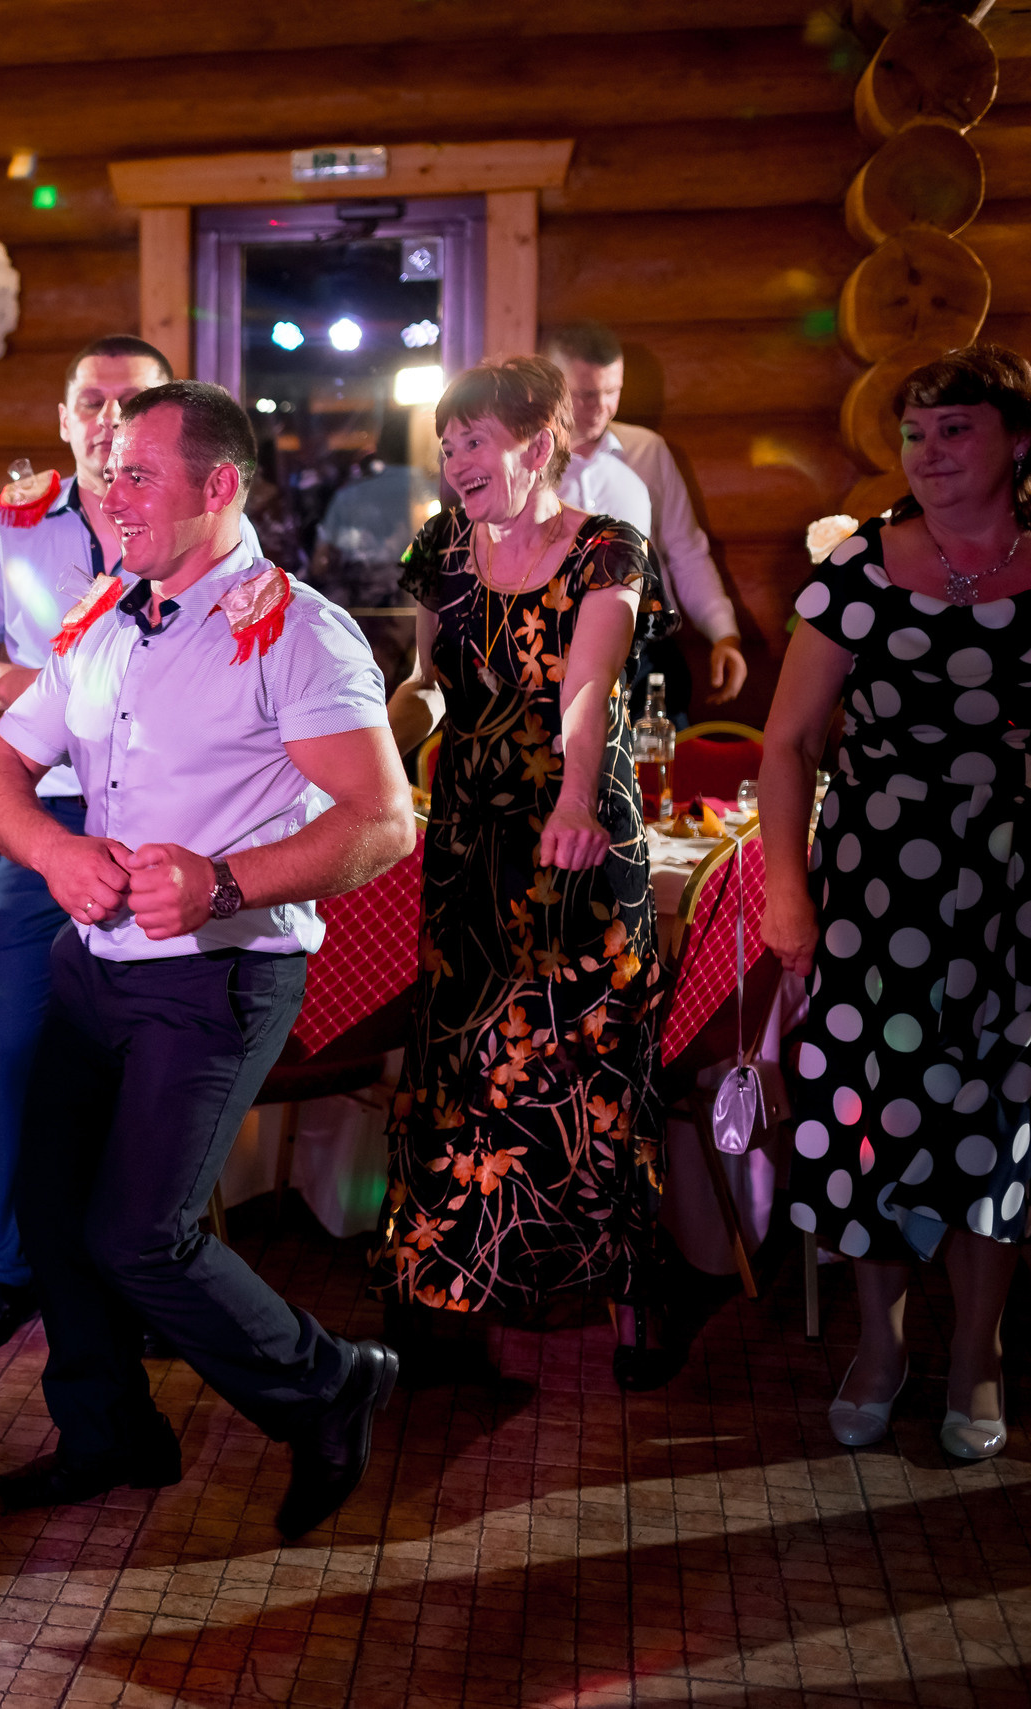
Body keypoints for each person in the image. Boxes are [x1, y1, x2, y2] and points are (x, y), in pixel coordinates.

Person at [0, 381, 412, 1537]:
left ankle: (327, 1382)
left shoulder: (297, 628)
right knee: (49, 1207)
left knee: (140, 1232)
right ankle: (109, 1432)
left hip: (219, 971)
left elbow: (380, 819)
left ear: (218, 488)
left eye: (135, 475)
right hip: (92, 963)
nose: (108, 496)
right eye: (106, 471)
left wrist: (222, 880)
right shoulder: (101, 615)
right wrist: (53, 854)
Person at [374, 356, 679, 1391]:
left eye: (474, 440)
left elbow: (585, 690)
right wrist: (373, 741)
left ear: (536, 443)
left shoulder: (604, 548)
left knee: (585, 1066)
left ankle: (633, 1297)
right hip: (467, 842)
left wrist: (574, 800)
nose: (456, 459)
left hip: (576, 842)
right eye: (447, 442)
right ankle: (445, 1301)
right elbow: (424, 683)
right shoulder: (441, 548)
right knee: (459, 1071)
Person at [763, 343, 1031, 1463]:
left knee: (997, 1125)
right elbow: (785, 744)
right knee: (862, 1118)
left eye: (954, 430)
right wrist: (786, 888)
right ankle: (878, 1342)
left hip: (1016, 884)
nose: (928, 454)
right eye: (914, 434)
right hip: (878, 880)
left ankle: (976, 1348)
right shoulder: (858, 570)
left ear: (1016, 441)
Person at [0, 333, 169, 1357]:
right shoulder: (10, 523)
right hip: (42, 810)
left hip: (162, 812)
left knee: (155, 1054)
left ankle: (148, 1269)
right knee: (3, 1046)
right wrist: (21, 694)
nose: (107, 419)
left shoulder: (188, 515)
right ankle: (3, 1269)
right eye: (91, 401)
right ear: (64, 416)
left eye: (130, 402)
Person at [543, 320, 751, 718]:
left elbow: (687, 552)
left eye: (612, 391)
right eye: (586, 394)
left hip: (648, 655)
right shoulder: (528, 464)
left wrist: (724, 634)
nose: (600, 407)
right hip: (555, 656)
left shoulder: (648, 452)